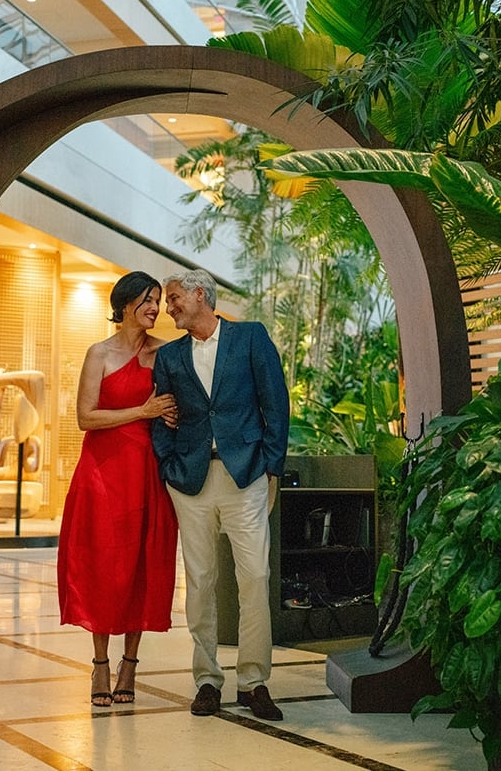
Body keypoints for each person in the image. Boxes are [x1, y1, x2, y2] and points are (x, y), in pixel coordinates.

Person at [151, 269, 290, 722]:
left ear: (199, 294)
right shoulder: (170, 356)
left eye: (174, 298)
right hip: (190, 481)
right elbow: (162, 415)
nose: (168, 307)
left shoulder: (250, 338)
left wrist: (270, 465)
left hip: (245, 476)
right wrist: (169, 466)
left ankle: (254, 681)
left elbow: (276, 403)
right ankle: (207, 680)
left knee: (255, 577)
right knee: (200, 581)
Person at [57, 271, 179, 707]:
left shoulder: (165, 353)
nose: (155, 308)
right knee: (102, 565)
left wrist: (168, 415)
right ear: (125, 304)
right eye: (148, 300)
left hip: (147, 472)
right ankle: (100, 664)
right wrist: (142, 411)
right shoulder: (99, 353)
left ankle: (130, 663)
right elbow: (85, 417)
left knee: (141, 565)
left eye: (158, 300)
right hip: (102, 474)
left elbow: (175, 407)